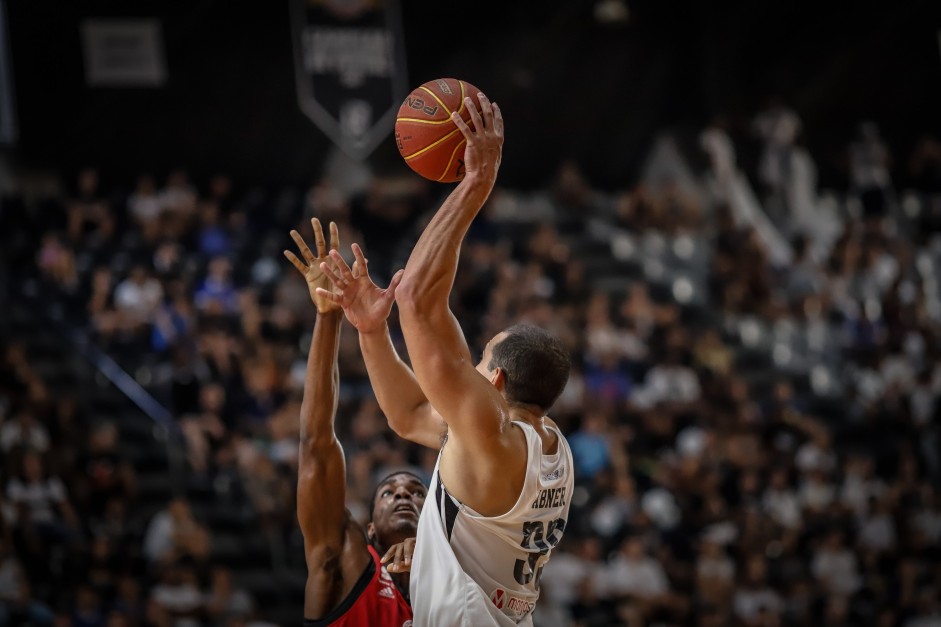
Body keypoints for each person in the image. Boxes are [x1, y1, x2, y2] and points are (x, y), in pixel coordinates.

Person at [319, 93, 573, 625]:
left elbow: (414, 295)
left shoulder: (491, 433)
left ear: (497, 380)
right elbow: (408, 416)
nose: (471, 371)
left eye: (480, 360)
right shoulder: (547, 448)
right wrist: (371, 331)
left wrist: (475, 183)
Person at [284, 219, 425, 626]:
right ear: (369, 529)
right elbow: (316, 444)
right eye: (389, 493)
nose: (403, 496)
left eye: (416, 492)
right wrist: (328, 318)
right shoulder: (346, 556)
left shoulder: (454, 577)